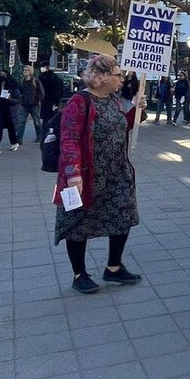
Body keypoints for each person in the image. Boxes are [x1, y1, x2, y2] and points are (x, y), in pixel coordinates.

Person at [54, 54, 147, 294]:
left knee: (122, 215)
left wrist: (136, 111)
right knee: (78, 223)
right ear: (102, 77)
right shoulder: (79, 101)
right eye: (118, 74)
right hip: (85, 175)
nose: (122, 79)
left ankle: (113, 268)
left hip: (116, 172)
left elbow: (121, 126)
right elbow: (69, 140)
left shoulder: (114, 99)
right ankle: (79, 274)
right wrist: (73, 173)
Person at [0, 69, 20, 154]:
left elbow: (17, 99)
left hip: (9, 110)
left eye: (4, 75)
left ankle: (14, 142)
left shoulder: (12, 84)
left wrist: (10, 99)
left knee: (11, 127)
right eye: (1, 75)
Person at [16, 65, 45, 142]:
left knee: (37, 122)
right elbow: (19, 91)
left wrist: (37, 99)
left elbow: (41, 93)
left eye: (26, 70)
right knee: (21, 122)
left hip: (34, 105)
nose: (24, 71)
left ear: (30, 71)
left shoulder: (35, 81)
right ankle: (19, 139)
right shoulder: (22, 81)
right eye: (24, 70)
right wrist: (20, 97)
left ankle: (39, 136)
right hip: (24, 104)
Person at [38, 61, 63, 139]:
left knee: (50, 118)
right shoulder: (42, 77)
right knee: (47, 118)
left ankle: (47, 132)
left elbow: (57, 90)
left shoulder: (53, 77)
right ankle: (46, 132)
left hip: (50, 101)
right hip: (46, 101)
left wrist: (57, 101)